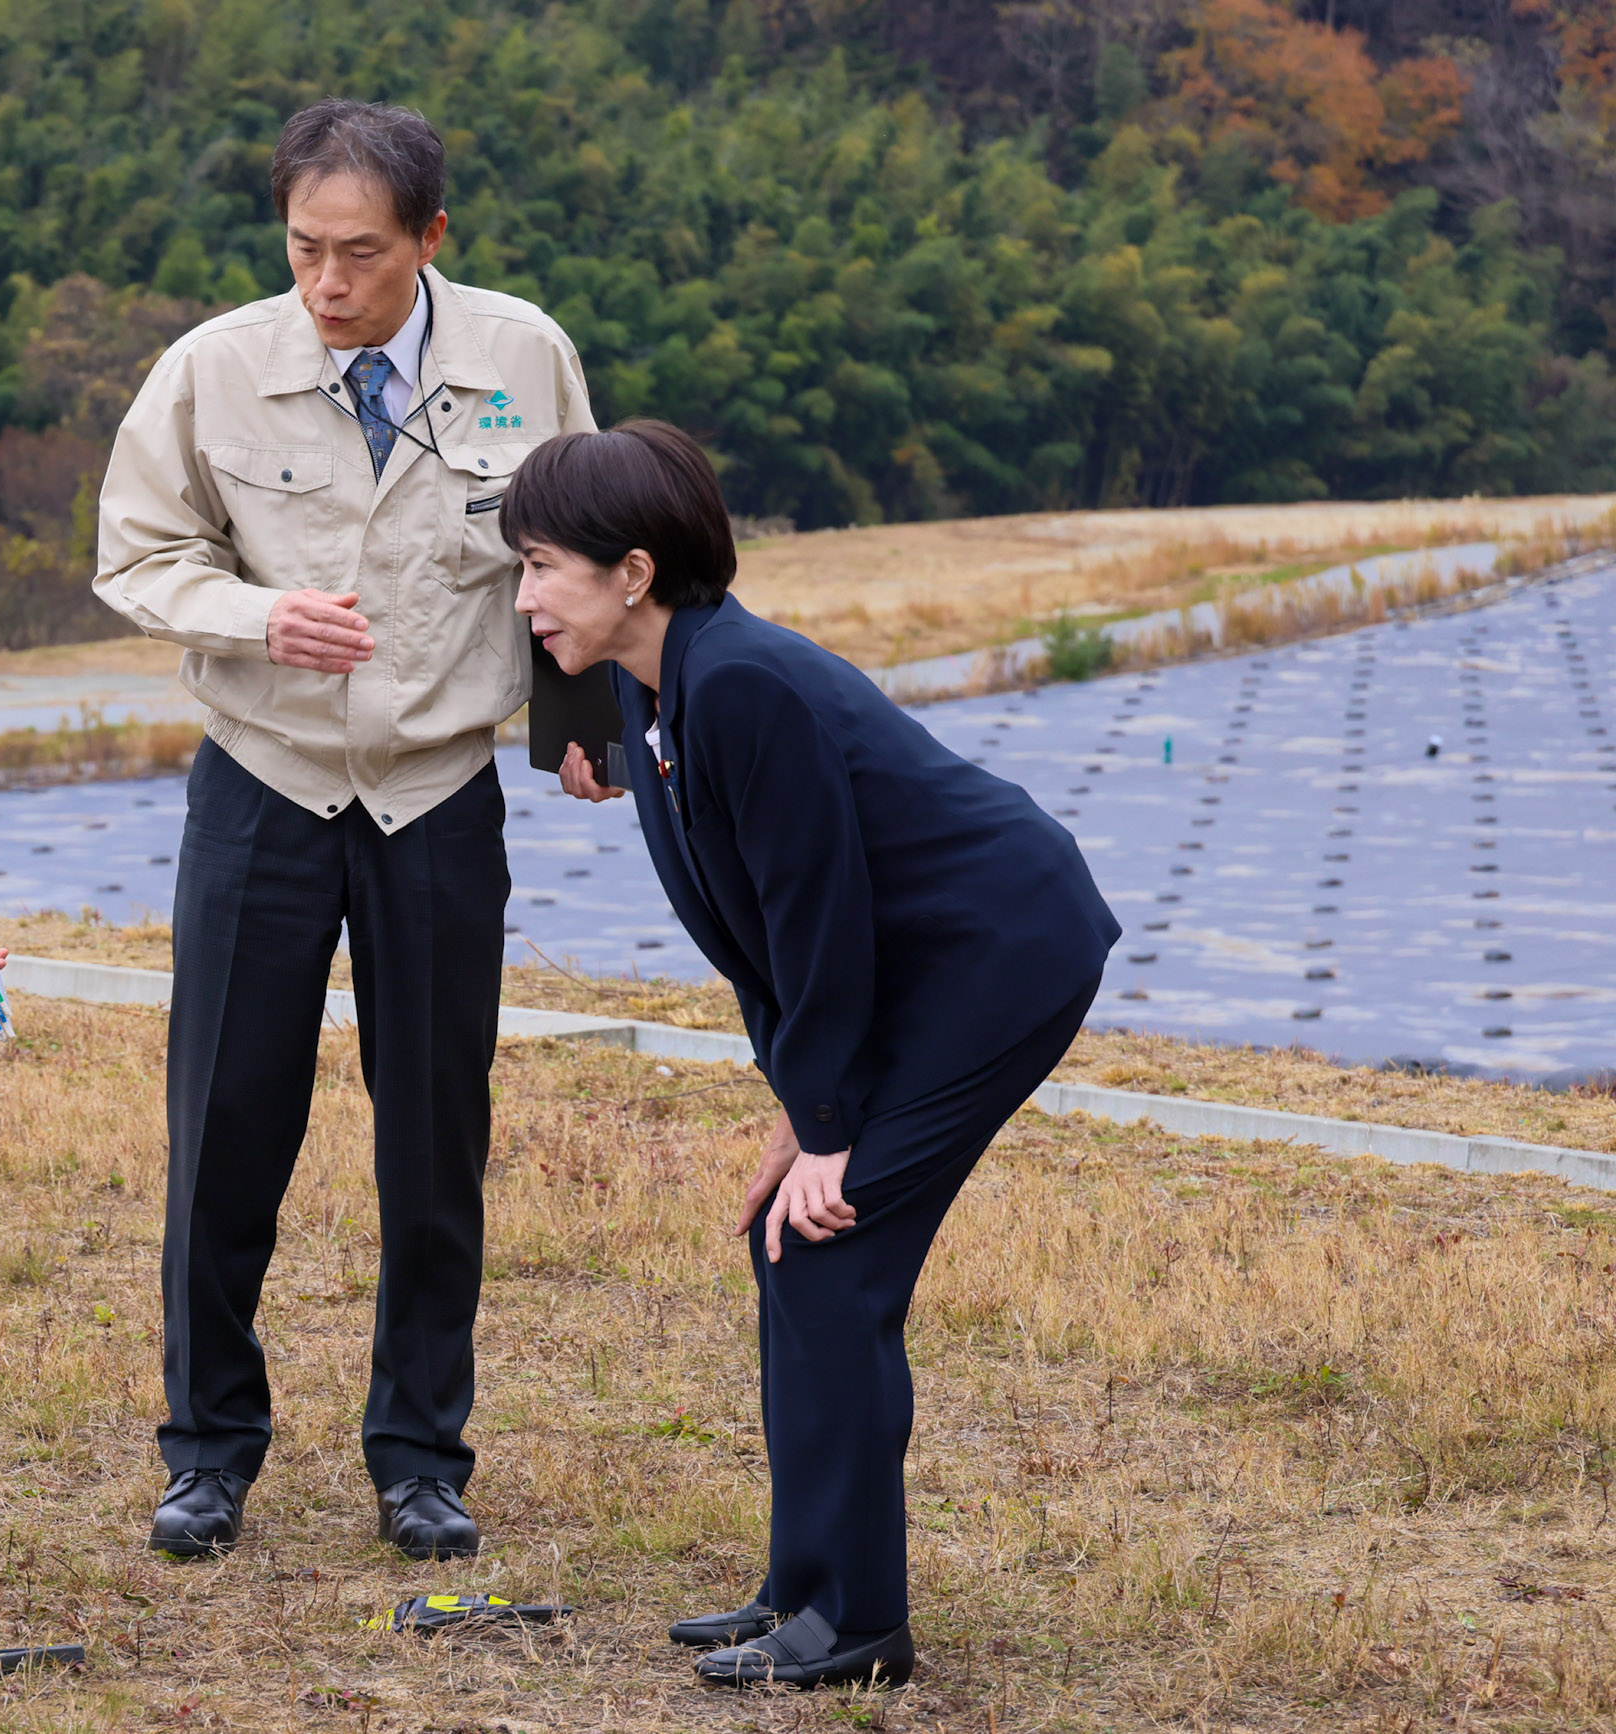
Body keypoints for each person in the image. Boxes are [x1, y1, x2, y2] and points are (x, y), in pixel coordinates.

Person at [508, 422, 1119, 1689]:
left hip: (997, 956)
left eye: (540, 569)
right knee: (785, 1243)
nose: (521, 599)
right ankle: (800, 1590)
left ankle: (854, 1627)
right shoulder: (653, 682)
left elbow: (819, 918)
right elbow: (749, 929)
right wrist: (799, 1103)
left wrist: (828, 1128)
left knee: (826, 1254)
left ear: (632, 572)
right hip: (913, 971)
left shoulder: (741, 687)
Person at [92, 99, 596, 1562]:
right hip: (264, 775)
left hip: (439, 790)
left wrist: (590, 732)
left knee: (435, 1133)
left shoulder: (528, 357)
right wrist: (257, 614)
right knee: (227, 1121)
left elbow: (575, 550)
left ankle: (422, 1453)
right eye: (304, 249)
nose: (327, 285)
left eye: (360, 256)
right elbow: (138, 552)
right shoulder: (211, 368)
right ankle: (208, 1447)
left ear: (431, 239)